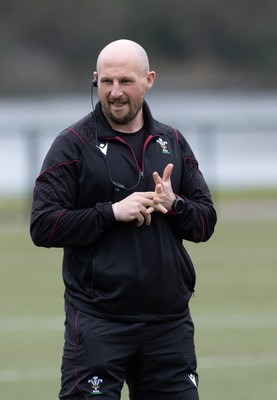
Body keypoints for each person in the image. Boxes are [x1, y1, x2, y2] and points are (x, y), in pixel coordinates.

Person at [30, 39, 217, 400]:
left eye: (126, 82)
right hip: (100, 323)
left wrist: (175, 204)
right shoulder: (72, 144)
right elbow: (43, 225)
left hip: (169, 325)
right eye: (106, 82)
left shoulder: (172, 141)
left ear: (148, 80)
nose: (115, 93)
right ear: (95, 79)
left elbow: (205, 222)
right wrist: (113, 212)